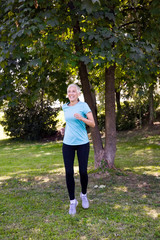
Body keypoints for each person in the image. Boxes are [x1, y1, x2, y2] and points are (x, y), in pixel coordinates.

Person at [62, 84, 95, 215]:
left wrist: (82, 118)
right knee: (69, 172)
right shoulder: (64, 106)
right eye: (69, 91)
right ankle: (72, 202)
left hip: (82, 142)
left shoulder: (83, 106)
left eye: (73, 91)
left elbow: (92, 123)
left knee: (83, 171)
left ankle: (84, 194)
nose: (71, 93)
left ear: (78, 93)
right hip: (68, 143)